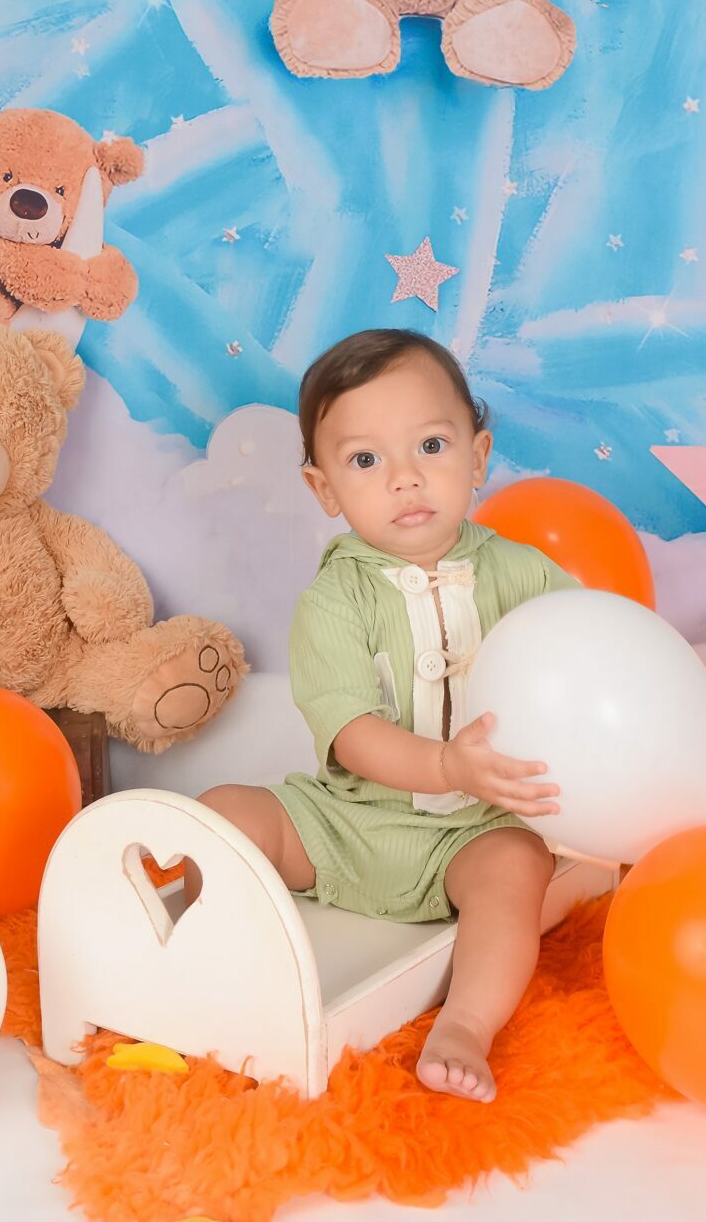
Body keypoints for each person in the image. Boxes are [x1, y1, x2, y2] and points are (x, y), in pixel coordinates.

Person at [194, 328, 578, 1102]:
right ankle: (189, 952)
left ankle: (466, 1024)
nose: (405, 478)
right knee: (224, 813)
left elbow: (587, 665)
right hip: (348, 824)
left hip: (475, 831)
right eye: (366, 461)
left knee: (518, 869)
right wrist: (443, 764)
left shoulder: (527, 574)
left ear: (478, 456)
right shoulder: (334, 600)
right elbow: (354, 734)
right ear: (325, 489)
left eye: (431, 446)